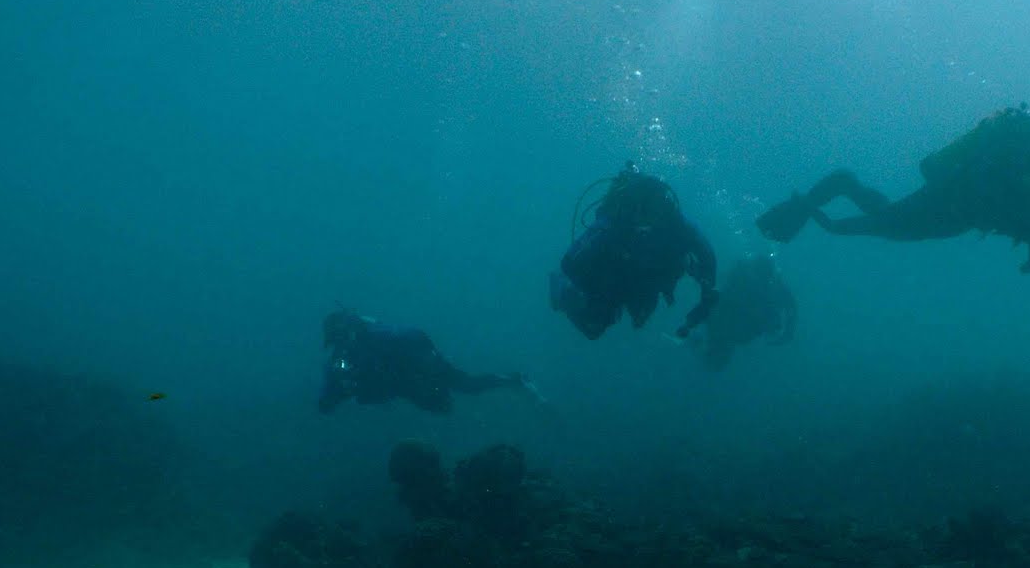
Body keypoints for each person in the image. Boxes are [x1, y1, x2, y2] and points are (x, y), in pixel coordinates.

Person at [757, 93, 1030, 274]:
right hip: (958, 204)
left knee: (889, 222)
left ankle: (830, 195)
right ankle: (830, 195)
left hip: (957, 202)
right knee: (885, 225)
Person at [550, 164, 719, 340]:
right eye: (648, 212)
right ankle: (564, 293)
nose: (651, 221)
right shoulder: (615, 222)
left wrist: (707, 285)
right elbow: (570, 262)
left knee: (637, 312)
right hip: (614, 276)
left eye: (657, 212)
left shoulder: (677, 224)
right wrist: (572, 292)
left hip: (646, 280)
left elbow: (705, 253)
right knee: (594, 325)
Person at [318, 310, 534, 414]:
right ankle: (512, 381)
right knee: (454, 394)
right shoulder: (347, 355)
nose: (342, 346)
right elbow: (332, 392)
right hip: (402, 380)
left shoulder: (381, 338)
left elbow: (415, 342)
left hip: (413, 371)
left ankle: (514, 380)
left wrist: (430, 370)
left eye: (342, 338)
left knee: (462, 389)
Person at [697, 253, 798, 370]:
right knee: (716, 353)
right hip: (729, 325)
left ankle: (701, 348)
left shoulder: (770, 285)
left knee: (716, 353)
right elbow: (791, 307)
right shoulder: (742, 276)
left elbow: (790, 307)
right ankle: (702, 348)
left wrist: (788, 332)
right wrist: (788, 332)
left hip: (732, 326)